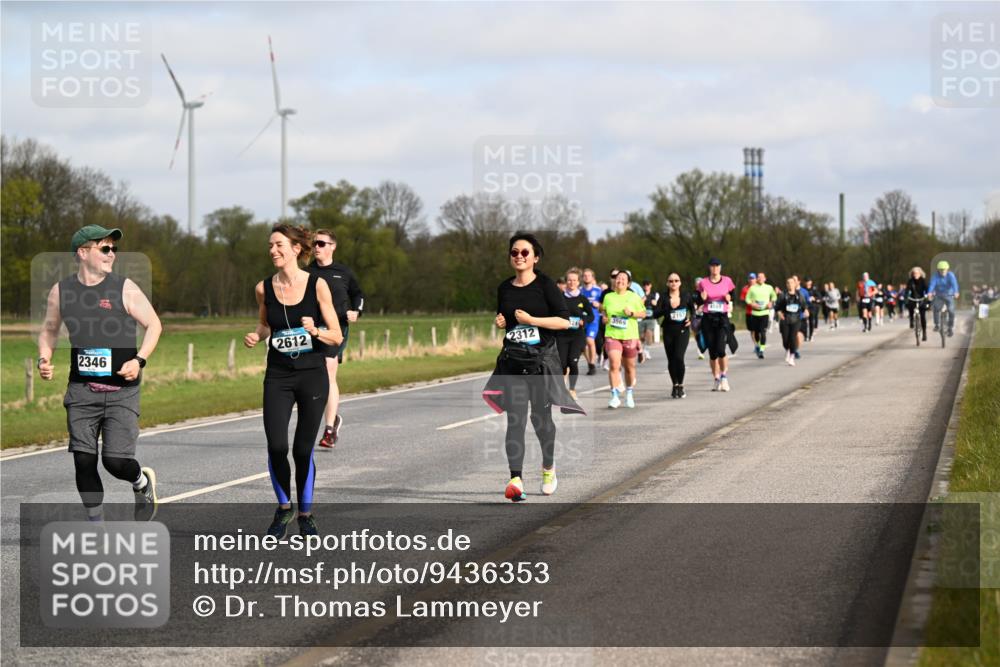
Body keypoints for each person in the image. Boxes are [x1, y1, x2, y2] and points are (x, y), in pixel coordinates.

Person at [37, 225, 163, 522]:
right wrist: (45, 357)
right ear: (83, 253)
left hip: (122, 391)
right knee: (83, 460)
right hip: (81, 390)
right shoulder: (61, 291)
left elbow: (154, 325)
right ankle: (96, 527)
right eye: (104, 248)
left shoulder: (125, 288)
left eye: (113, 249)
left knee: (115, 462)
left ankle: (140, 482)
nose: (111, 254)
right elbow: (49, 330)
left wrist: (139, 360)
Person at [245, 224, 343, 537]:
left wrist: (316, 331)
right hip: (278, 376)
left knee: (302, 450)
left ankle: (306, 514)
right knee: (276, 446)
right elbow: (265, 325)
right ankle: (284, 508)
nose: (273, 250)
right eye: (270, 246)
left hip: (312, 375)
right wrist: (256, 335)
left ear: (295, 249)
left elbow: (337, 335)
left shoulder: (317, 285)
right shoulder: (263, 288)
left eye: (279, 245)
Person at [483, 233, 583, 502]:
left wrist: (533, 320)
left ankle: (548, 468)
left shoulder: (546, 285)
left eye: (525, 253)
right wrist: (502, 323)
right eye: (514, 252)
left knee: (541, 421)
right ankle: (515, 479)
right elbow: (508, 321)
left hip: (540, 363)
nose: (519, 256)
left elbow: (564, 322)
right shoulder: (504, 288)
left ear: (535, 258)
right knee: (515, 420)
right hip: (513, 362)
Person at [308, 229, 364, 450]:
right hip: (312, 330)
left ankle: (329, 429)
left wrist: (356, 312)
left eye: (321, 243)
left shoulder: (344, 272)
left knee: (329, 370)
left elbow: (358, 295)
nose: (316, 247)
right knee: (313, 377)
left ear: (333, 246)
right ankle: (326, 418)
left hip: (337, 328)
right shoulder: (307, 273)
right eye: (314, 243)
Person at [601, 270, 646, 408]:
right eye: (618, 278)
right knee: (614, 364)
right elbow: (604, 311)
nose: (620, 280)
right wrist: (604, 318)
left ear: (628, 283)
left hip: (629, 336)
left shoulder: (634, 297)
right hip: (612, 334)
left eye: (623, 279)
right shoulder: (608, 296)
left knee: (629, 368)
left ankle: (629, 393)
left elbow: (643, 314)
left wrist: (631, 313)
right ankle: (614, 396)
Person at [651, 272, 697, 398]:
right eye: (671, 281)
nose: (674, 283)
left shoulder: (686, 295)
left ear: (680, 283)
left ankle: (681, 385)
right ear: (667, 283)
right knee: (671, 359)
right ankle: (675, 385)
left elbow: (693, 310)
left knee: (679, 357)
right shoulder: (664, 297)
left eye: (676, 280)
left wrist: (691, 319)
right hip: (668, 331)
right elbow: (655, 314)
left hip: (682, 330)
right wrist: (666, 308)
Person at [697, 258, 736, 392]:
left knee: (721, 349)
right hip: (708, 319)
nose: (715, 268)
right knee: (712, 352)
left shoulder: (727, 281)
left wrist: (729, 298)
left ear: (720, 267)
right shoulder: (703, 282)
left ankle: (724, 377)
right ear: (709, 267)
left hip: (722, 319)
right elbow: (697, 300)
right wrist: (701, 299)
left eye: (717, 266)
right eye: (712, 266)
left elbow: (732, 295)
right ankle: (716, 378)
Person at [558, 268, 595, 399]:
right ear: (566, 281)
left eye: (574, 280)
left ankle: (572, 389)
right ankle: (561, 389)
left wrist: (584, 321)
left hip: (577, 336)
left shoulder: (583, 299)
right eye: (569, 280)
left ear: (578, 282)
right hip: (561, 335)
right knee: (562, 364)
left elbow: (591, 316)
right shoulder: (560, 298)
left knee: (572, 362)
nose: (572, 283)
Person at [775, 277, 806, 366]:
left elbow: (804, 306)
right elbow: (777, 307)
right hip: (785, 319)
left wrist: (806, 311)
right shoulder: (783, 295)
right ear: (786, 285)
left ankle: (792, 356)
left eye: (792, 283)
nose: (790, 285)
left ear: (795, 284)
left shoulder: (799, 295)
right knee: (785, 340)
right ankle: (787, 349)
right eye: (788, 283)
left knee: (793, 338)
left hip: (796, 319)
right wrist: (779, 313)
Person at [744, 272, 776, 358]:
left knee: (763, 332)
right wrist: (752, 304)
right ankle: (758, 345)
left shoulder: (769, 287)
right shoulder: (752, 288)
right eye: (759, 277)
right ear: (757, 279)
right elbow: (747, 299)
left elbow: (774, 296)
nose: (760, 279)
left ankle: (762, 350)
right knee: (756, 332)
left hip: (765, 313)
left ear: (765, 279)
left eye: (762, 277)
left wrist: (771, 302)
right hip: (755, 313)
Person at [927, 260, 960, 337]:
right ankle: (937, 325)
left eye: (944, 269)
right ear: (938, 270)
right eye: (941, 270)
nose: (943, 271)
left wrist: (956, 292)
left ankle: (950, 328)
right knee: (936, 308)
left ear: (947, 269)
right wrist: (929, 292)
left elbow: (954, 284)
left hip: (949, 295)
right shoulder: (935, 276)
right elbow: (932, 285)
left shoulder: (950, 275)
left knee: (951, 311)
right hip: (939, 295)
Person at [580, 268, 602, 375]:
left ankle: (592, 362)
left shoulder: (598, 290)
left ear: (593, 277)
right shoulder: (579, 290)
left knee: (589, 340)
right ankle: (590, 363)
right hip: (581, 320)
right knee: (582, 345)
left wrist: (599, 305)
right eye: (584, 275)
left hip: (593, 319)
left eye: (589, 275)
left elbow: (604, 305)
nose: (586, 277)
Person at [639, 280, 659, 361]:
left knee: (649, 334)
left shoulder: (655, 295)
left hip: (651, 318)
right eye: (644, 285)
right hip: (642, 318)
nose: (646, 286)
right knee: (641, 337)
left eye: (647, 284)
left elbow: (659, 305)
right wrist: (641, 301)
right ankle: (643, 348)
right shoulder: (640, 294)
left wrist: (656, 304)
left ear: (650, 285)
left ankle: (646, 350)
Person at [906, 267, 928, 342]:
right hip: (913, 298)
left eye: (917, 273)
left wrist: (927, 295)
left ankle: (924, 332)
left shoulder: (923, 281)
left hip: (921, 299)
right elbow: (907, 289)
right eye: (914, 273)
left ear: (920, 274)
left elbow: (927, 289)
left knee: (923, 316)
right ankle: (911, 320)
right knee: (910, 306)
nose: (915, 274)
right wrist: (906, 296)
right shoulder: (910, 281)